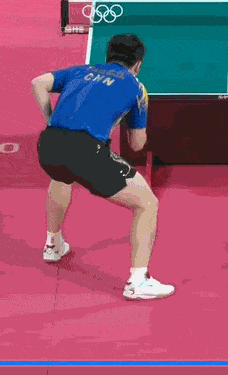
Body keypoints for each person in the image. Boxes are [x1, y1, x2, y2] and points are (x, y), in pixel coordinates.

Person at [31, 34, 175, 300]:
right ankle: (138, 282)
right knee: (147, 204)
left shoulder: (80, 71)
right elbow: (137, 144)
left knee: (61, 176)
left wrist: (51, 119)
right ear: (138, 65)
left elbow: (38, 83)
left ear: (107, 56)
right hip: (85, 151)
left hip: (48, 145)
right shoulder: (136, 87)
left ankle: (53, 244)